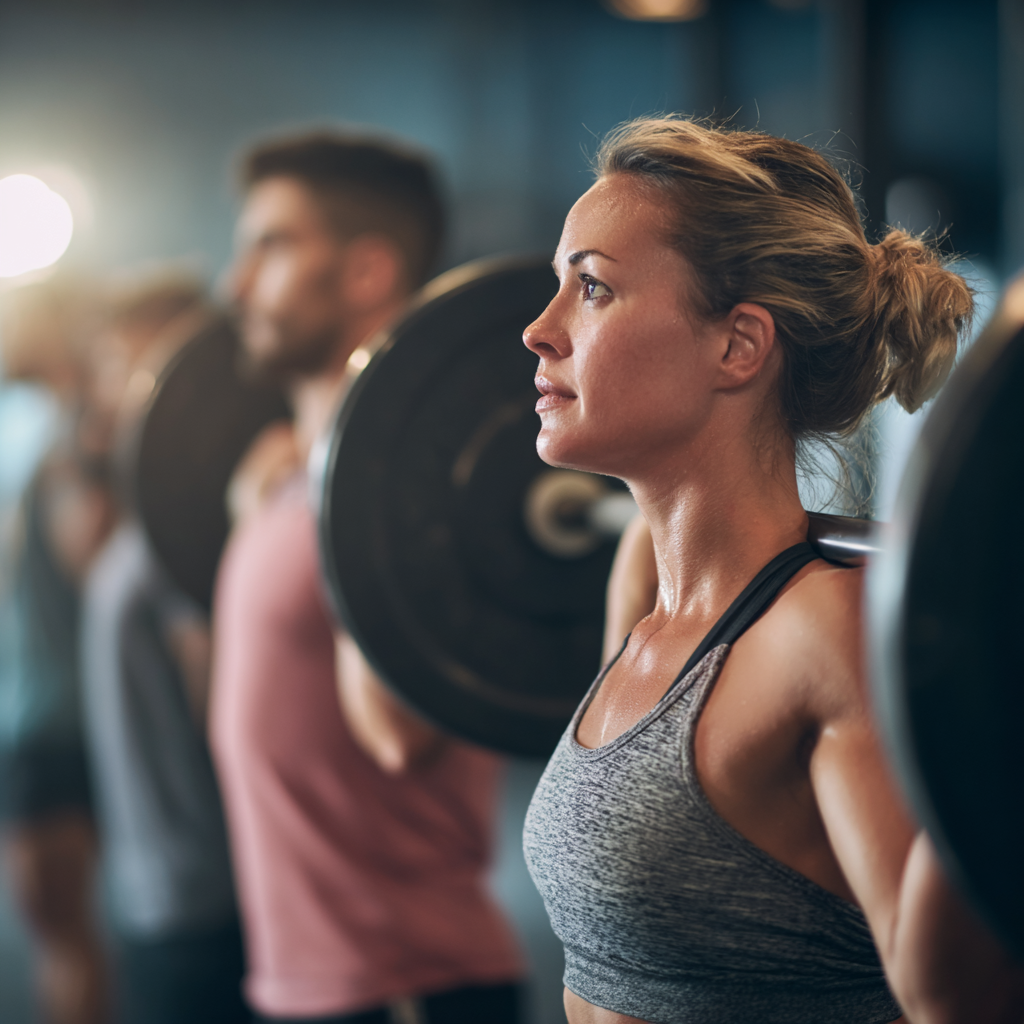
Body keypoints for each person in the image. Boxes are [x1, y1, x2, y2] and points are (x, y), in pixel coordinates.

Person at [521, 117, 1024, 1024]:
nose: (538, 331)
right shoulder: (648, 603)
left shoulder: (822, 633)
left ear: (737, 346)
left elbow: (954, 999)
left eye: (591, 286)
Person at [209, 131, 524, 1024]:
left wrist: (351, 507)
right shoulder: (287, 479)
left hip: (405, 983)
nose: (236, 287)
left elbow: (399, 737)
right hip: (308, 981)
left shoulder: (412, 491)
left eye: (271, 245)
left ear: (365, 272)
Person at [78, 275, 250, 1024]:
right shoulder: (146, 522)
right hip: (149, 891)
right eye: (117, 366)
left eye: (142, 368)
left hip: (205, 902)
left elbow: (222, 716)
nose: (121, 388)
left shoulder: (192, 541)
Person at [0, 277, 112, 1024]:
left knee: (63, 935)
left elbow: (92, 556)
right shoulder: (22, 419)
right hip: (25, 716)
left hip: (58, 718)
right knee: (57, 934)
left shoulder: (53, 425)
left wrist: (84, 456)